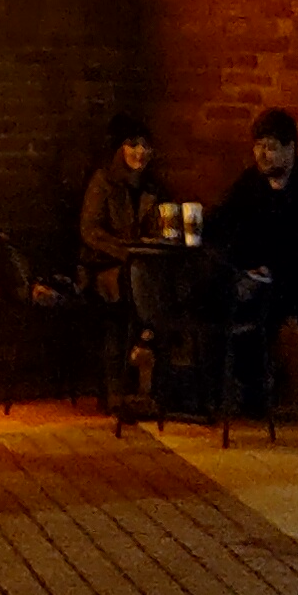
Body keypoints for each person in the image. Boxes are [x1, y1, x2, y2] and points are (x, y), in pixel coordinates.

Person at [205, 106, 298, 413]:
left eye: (270, 147)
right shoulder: (250, 183)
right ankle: (210, 393)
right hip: (252, 273)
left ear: (290, 148)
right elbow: (221, 220)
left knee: (259, 308)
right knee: (211, 298)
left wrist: (269, 270)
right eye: (258, 146)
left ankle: (257, 392)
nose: (262, 155)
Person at [78, 114, 181, 409]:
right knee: (127, 293)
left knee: (165, 284)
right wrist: (126, 252)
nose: (140, 152)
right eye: (133, 144)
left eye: (145, 146)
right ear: (119, 148)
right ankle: (126, 377)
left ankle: (148, 352)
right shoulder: (104, 182)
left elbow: (162, 227)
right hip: (104, 265)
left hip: (142, 268)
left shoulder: (153, 188)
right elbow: (90, 230)